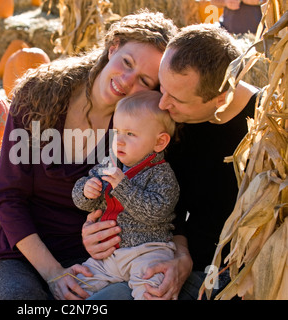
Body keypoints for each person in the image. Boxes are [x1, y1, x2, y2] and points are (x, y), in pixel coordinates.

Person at [0, 10, 178, 300]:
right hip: (24, 258)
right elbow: (10, 198)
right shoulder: (39, 95)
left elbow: (159, 204)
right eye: (126, 63)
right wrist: (53, 273)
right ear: (113, 47)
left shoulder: (142, 130)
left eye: (144, 81)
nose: (126, 80)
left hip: (102, 264)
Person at [82, 23, 261, 300]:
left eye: (175, 98)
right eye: (161, 88)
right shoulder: (173, 121)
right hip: (168, 262)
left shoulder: (270, 130)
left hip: (243, 277)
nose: (162, 104)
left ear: (221, 98)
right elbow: (166, 205)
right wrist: (96, 228)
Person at [71, 90, 179, 300]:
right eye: (117, 131)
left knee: (152, 291)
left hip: (148, 252)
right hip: (108, 257)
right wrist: (86, 190)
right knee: (77, 286)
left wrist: (122, 186)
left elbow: (156, 211)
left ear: (159, 142)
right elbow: (82, 200)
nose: (119, 141)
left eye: (130, 134)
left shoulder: (161, 174)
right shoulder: (111, 163)